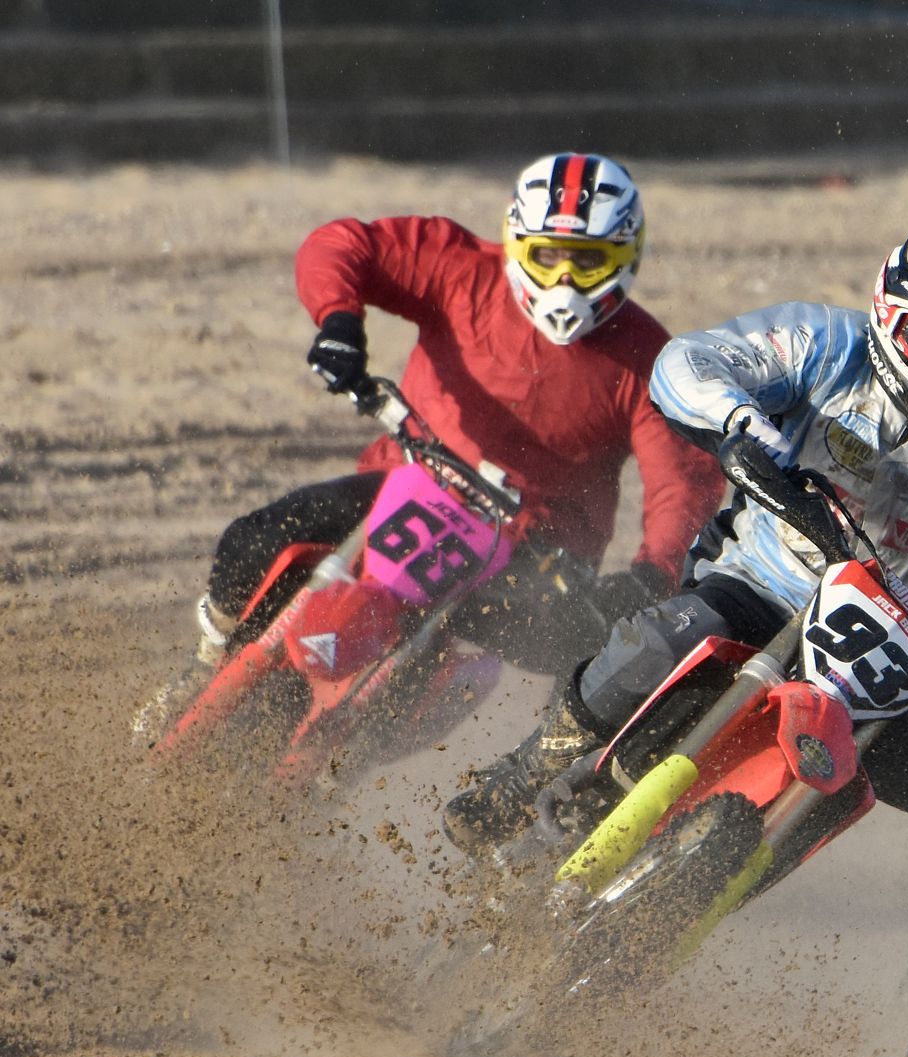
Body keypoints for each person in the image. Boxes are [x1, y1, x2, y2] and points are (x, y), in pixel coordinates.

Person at [442, 226, 908, 966]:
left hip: (867, 675)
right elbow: (688, 361)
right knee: (657, 639)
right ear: (886, 315)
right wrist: (738, 421)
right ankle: (529, 767)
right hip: (752, 588)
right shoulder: (824, 343)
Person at [135, 152, 727, 738]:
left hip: (537, 550)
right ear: (516, 244)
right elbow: (341, 246)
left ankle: (527, 794)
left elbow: (684, 477)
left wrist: (655, 571)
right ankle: (208, 660)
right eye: (547, 257)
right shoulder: (459, 268)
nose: (564, 282)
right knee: (255, 540)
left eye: (587, 261)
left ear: (626, 258)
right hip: (409, 480)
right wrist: (338, 321)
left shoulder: (651, 359)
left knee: (579, 659)